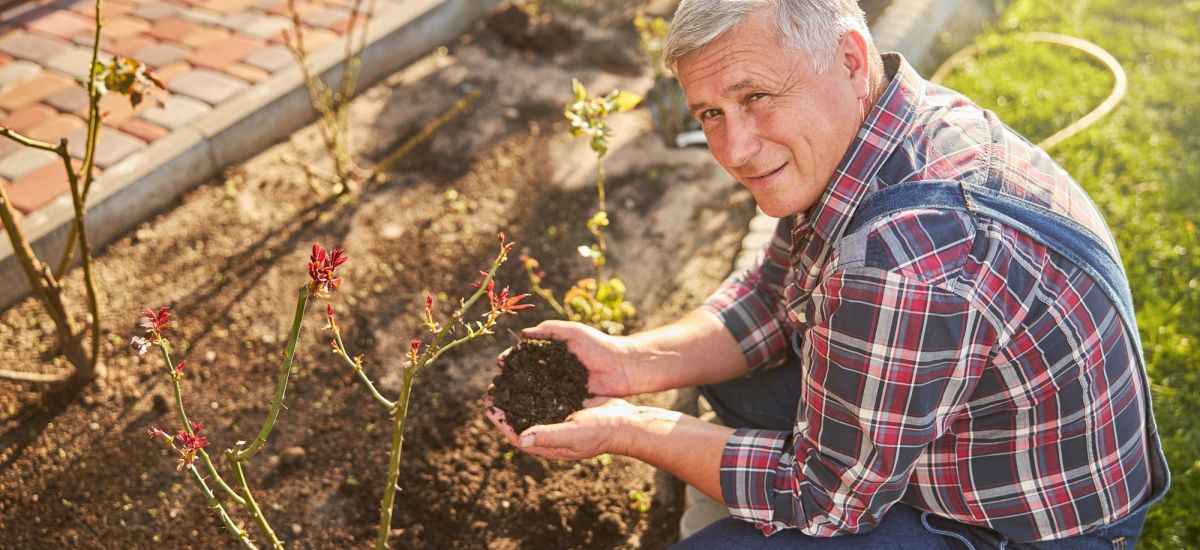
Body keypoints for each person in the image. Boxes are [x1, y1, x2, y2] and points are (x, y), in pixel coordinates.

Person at [484, 0, 1170, 547]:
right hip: (975, 429)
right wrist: (628, 363)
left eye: (756, 96)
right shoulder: (877, 125)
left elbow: (822, 499)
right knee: (740, 388)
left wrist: (626, 429)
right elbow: (770, 293)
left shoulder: (906, 259)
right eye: (711, 113)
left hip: (1025, 523)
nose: (736, 148)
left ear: (849, 55)